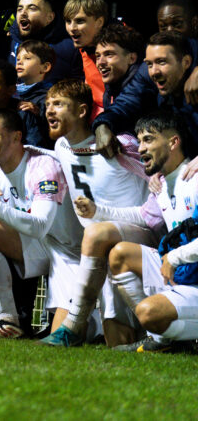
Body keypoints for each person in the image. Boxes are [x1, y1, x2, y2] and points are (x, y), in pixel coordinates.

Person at [59, 113, 198, 351]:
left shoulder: (194, 179)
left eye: (149, 140)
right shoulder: (162, 184)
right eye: (140, 140)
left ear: (173, 142)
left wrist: (174, 257)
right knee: (120, 254)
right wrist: (97, 211)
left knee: (148, 313)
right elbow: (143, 215)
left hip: (187, 271)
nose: (141, 148)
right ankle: (162, 341)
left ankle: (176, 338)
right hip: (184, 272)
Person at [38, 79, 152, 346]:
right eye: (47, 105)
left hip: (144, 234)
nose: (49, 111)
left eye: (58, 104)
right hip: (103, 246)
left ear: (81, 111)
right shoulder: (62, 147)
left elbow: (157, 194)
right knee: (116, 338)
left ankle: (74, 326)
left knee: (97, 231)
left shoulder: (118, 146)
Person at [0, 109, 80, 339]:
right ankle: (8, 322)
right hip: (42, 248)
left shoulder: (43, 167)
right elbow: (6, 224)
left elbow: (40, 225)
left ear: (16, 136)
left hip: (72, 252)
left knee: (64, 335)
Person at [94, 31, 198, 160]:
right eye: (149, 64)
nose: (154, 72)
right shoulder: (146, 75)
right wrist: (102, 124)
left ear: (186, 62)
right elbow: (127, 101)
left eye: (162, 62)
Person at [94, 24, 144, 108]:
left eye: (109, 54)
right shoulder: (109, 91)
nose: (100, 62)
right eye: (98, 56)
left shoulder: (143, 91)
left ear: (132, 58)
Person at [14, 39, 55, 116]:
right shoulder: (12, 92)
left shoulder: (49, 97)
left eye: (27, 58)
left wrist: (38, 112)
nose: (19, 62)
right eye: (18, 59)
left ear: (45, 67)